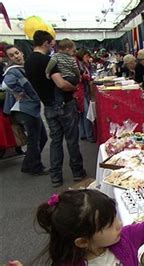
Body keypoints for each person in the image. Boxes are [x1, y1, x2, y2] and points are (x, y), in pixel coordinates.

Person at [24, 30, 87, 187]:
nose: (53, 45)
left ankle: (56, 177)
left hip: (48, 106)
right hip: (64, 105)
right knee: (72, 140)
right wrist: (73, 87)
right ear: (46, 43)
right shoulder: (47, 60)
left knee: (56, 142)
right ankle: (78, 173)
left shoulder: (28, 61)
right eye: (51, 42)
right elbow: (61, 84)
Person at [2, 45, 48, 175]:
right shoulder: (13, 70)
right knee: (35, 139)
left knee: (41, 138)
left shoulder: (24, 68)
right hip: (24, 109)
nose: (16, 56)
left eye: (17, 53)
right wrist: (18, 92)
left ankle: (29, 164)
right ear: (9, 58)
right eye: (11, 55)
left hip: (31, 108)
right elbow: (5, 85)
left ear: (21, 52)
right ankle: (35, 167)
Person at [45, 38, 81, 107]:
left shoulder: (56, 56)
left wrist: (47, 72)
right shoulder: (72, 59)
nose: (74, 53)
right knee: (69, 89)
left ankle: (60, 103)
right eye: (73, 51)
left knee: (58, 90)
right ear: (67, 49)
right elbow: (76, 69)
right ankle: (72, 99)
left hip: (64, 77)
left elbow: (51, 64)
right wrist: (78, 77)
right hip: (72, 78)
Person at [75, 49, 95, 142]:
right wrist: (85, 76)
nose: (88, 58)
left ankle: (83, 133)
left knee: (83, 113)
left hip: (83, 90)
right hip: (80, 91)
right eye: (86, 56)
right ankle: (89, 135)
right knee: (86, 113)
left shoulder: (82, 64)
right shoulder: (77, 64)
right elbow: (78, 77)